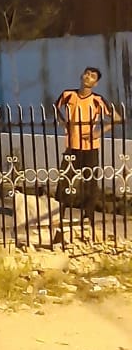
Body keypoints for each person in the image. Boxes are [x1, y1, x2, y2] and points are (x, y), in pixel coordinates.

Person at [55, 66, 117, 229]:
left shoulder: (97, 100)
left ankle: (88, 216)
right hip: (72, 146)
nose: (88, 77)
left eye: (92, 76)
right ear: (82, 75)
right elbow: (55, 107)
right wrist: (62, 121)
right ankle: (58, 215)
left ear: (95, 83)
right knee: (64, 180)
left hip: (90, 147)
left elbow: (117, 118)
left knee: (90, 183)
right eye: (87, 74)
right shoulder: (68, 94)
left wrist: (99, 132)